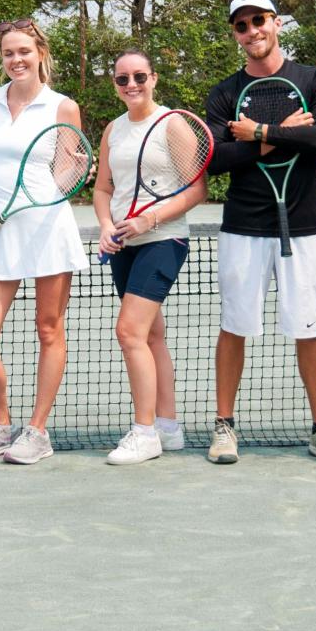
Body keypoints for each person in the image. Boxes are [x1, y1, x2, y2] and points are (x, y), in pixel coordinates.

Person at [204, 0, 316, 466]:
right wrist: (283, 136)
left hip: (304, 226)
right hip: (243, 227)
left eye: (259, 20)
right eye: (242, 25)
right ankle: (224, 426)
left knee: (308, 328)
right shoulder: (225, 93)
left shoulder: (314, 79)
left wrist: (260, 133)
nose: (252, 31)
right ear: (236, 34)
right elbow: (217, 160)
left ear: (276, 23)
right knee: (234, 326)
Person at [0, 18, 88, 465]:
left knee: (48, 328)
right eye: (9, 53)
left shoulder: (62, 107)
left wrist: (76, 172)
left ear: (41, 54)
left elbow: (63, 173)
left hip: (48, 231)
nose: (17, 60)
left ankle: (37, 431)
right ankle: (2, 424)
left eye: (24, 52)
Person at [92, 48, 206, 464]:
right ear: (115, 85)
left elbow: (198, 189)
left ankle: (144, 433)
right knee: (150, 335)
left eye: (139, 76)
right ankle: (168, 426)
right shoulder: (113, 130)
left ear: (154, 78)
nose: (132, 85)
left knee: (129, 332)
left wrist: (149, 220)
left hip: (163, 240)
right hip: (124, 243)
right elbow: (103, 188)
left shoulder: (173, 124)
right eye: (122, 79)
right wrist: (107, 225)